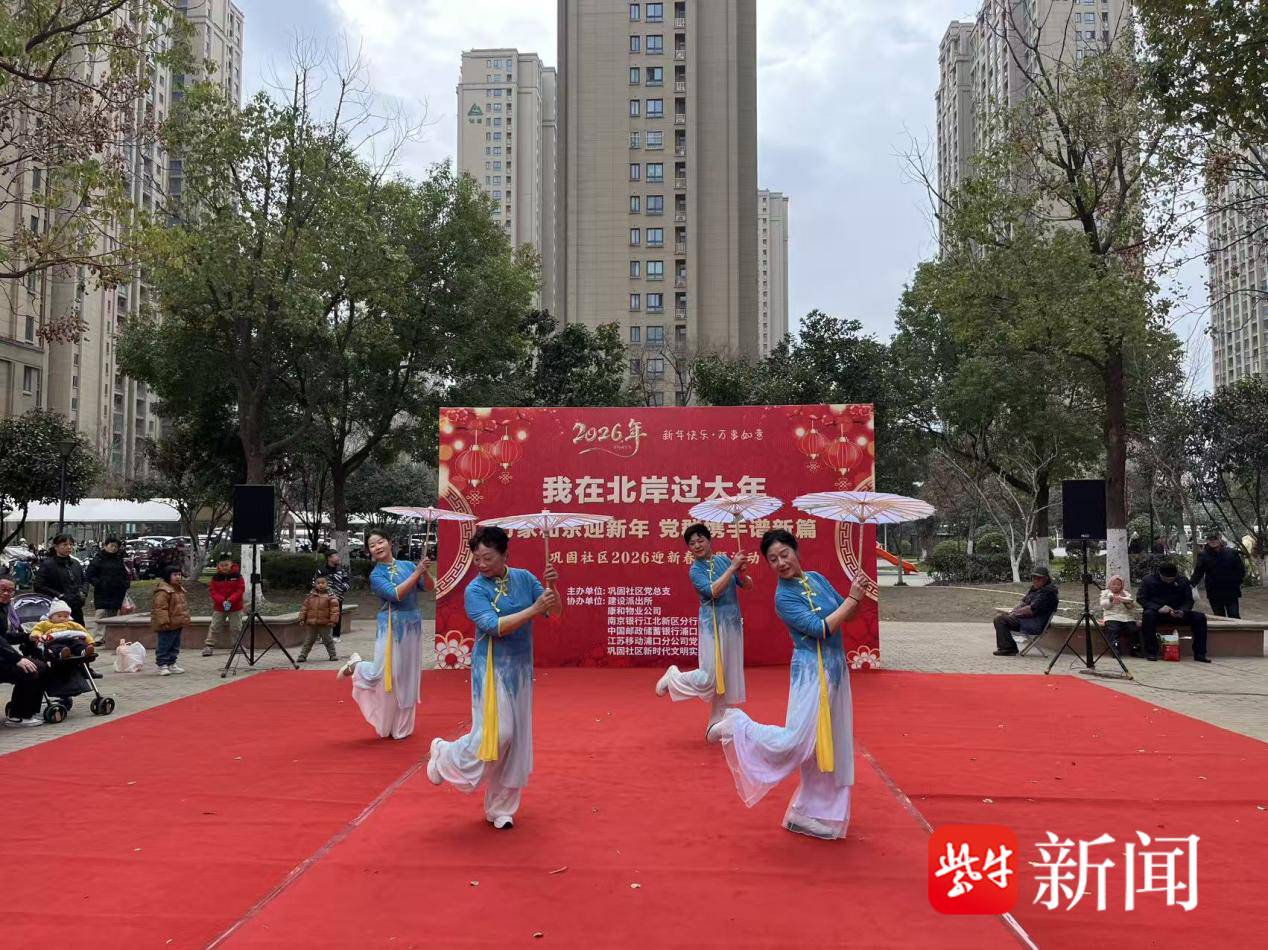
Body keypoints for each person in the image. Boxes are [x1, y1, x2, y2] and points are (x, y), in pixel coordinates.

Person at [708, 529, 862, 841]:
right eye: (773, 559)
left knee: (829, 744)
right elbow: (820, 629)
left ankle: (810, 812)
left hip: (835, 669)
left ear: (796, 551)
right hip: (811, 672)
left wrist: (857, 592)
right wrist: (852, 599)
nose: (781, 562)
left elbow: (849, 615)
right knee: (796, 742)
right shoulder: (783, 597)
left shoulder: (817, 579)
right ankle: (737, 725)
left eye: (784, 554)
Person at [427, 526, 560, 830]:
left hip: (520, 669)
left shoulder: (525, 578)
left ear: (505, 555)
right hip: (491, 668)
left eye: (488, 558)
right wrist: (534, 609)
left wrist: (552, 587)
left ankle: (501, 809)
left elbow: (555, 612)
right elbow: (494, 626)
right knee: (498, 735)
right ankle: (446, 753)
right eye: (477, 559)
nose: (482, 564)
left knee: (516, 742)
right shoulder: (475, 590)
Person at [655, 523, 753, 735]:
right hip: (712, 626)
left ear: (710, 541)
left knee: (726, 675)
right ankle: (674, 677)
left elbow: (747, 585)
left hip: (732, 624)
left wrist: (742, 572)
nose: (697, 545)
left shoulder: (724, 560)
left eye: (700, 540)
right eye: (692, 543)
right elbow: (713, 591)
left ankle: (716, 722)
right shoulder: (695, 570)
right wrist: (732, 568)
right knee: (709, 677)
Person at [337, 530, 432, 739]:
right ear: (369, 551)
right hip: (390, 625)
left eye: (380, 542)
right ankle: (358, 666)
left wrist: (424, 572)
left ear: (390, 543)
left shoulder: (407, 565)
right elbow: (396, 595)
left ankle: (401, 728)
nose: (378, 547)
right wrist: (417, 572)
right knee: (382, 673)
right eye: (372, 545)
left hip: (412, 624)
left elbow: (429, 587)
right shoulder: (376, 575)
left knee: (406, 675)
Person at [1, 577, 50, 727]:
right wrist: (17, 658)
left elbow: (4, 636)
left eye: (11, 590)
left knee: (40, 666)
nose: (7, 593)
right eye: (3, 590)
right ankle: (19, 715)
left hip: (3, 655)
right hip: (4, 657)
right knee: (30, 669)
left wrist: (28, 637)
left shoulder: (5, 607)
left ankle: (25, 712)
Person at [1138, 562, 1209, 662]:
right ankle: (1152, 652)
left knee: (1200, 617)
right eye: (1166, 579)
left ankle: (1200, 654)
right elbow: (1142, 599)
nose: (1169, 581)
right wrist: (1158, 608)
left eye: (1172, 579)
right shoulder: (1148, 580)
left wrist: (1183, 610)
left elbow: (1188, 600)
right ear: (1160, 574)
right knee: (1148, 615)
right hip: (1158, 613)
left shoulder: (1183, 580)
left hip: (1178, 613)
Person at [992, 566, 1060, 656]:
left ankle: (1008, 648)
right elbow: (1023, 602)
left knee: (1000, 619)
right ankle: (1008, 647)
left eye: (1038, 578)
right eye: (1033, 577)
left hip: (1035, 624)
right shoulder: (1036, 589)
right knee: (1001, 617)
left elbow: (1031, 609)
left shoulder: (1048, 593)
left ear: (1045, 579)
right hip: (1026, 620)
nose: (1035, 580)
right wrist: (1015, 610)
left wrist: (1015, 613)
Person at [86, 536, 131, 644]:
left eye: (116, 546)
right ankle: (98, 638)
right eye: (111, 546)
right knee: (101, 613)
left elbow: (124, 574)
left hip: (117, 591)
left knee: (113, 615)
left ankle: (109, 637)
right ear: (105, 546)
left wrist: (125, 584)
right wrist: (99, 583)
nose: (114, 548)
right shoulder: (98, 559)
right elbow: (90, 575)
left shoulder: (119, 559)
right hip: (102, 592)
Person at [34, 534, 87, 626]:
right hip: (57, 609)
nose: (69, 547)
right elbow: (39, 586)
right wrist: (59, 595)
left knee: (79, 630)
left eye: (71, 544)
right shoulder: (48, 565)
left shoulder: (75, 563)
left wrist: (83, 592)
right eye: (65, 545)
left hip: (76, 607)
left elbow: (84, 580)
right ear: (56, 547)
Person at [1190, 532, 1245, 619]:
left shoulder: (1231, 553)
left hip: (1231, 590)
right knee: (1219, 617)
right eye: (1210, 539)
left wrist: (1239, 581)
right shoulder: (1203, 555)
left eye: (1215, 539)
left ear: (1219, 539)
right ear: (1207, 541)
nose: (1213, 541)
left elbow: (1240, 569)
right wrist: (1191, 584)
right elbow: (1198, 572)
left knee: (1234, 615)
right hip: (1214, 591)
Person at [150, 565, 190, 675]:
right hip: (167, 624)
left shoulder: (179, 589)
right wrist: (163, 622)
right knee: (164, 645)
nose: (178, 577)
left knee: (175, 645)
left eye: (179, 574)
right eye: (174, 575)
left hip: (177, 623)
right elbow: (160, 608)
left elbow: (182, 606)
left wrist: (184, 618)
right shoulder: (163, 591)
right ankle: (162, 664)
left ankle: (172, 663)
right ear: (168, 576)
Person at [202, 557, 245, 657]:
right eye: (222, 565)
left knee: (236, 627)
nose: (224, 567)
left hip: (235, 607)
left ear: (231, 564)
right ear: (218, 566)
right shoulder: (215, 578)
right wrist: (222, 601)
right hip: (219, 607)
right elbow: (213, 591)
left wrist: (230, 600)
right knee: (214, 626)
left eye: (226, 565)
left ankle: (237, 645)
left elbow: (240, 590)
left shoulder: (238, 576)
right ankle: (209, 646)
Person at [297, 576, 341, 663]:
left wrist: (333, 621)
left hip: (325, 623)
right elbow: (304, 608)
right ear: (315, 585)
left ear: (327, 584)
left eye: (323, 583)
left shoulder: (331, 596)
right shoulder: (310, 596)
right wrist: (302, 618)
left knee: (328, 640)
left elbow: (335, 610)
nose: (320, 585)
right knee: (309, 640)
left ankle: (333, 655)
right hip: (312, 623)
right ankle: (303, 655)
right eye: (318, 583)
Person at [1099, 576, 1141, 656]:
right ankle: (1115, 649)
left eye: (1118, 585)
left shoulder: (1125, 593)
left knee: (1133, 629)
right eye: (1114, 584)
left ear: (1122, 586)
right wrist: (1110, 600)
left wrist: (1125, 601)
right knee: (1114, 629)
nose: (1116, 586)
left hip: (1126, 617)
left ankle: (1135, 649)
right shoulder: (1106, 593)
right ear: (1110, 585)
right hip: (1112, 616)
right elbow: (1104, 606)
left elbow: (1132, 606)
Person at [313, 551, 350, 641]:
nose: (338, 557)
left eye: (338, 555)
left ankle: (336, 636)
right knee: (324, 616)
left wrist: (341, 589)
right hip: (324, 598)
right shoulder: (321, 570)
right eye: (335, 556)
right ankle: (324, 636)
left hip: (338, 598)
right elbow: (315, 583)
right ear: (329, 558)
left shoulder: (341, 570)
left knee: (336, 616)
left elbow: (347, 582)